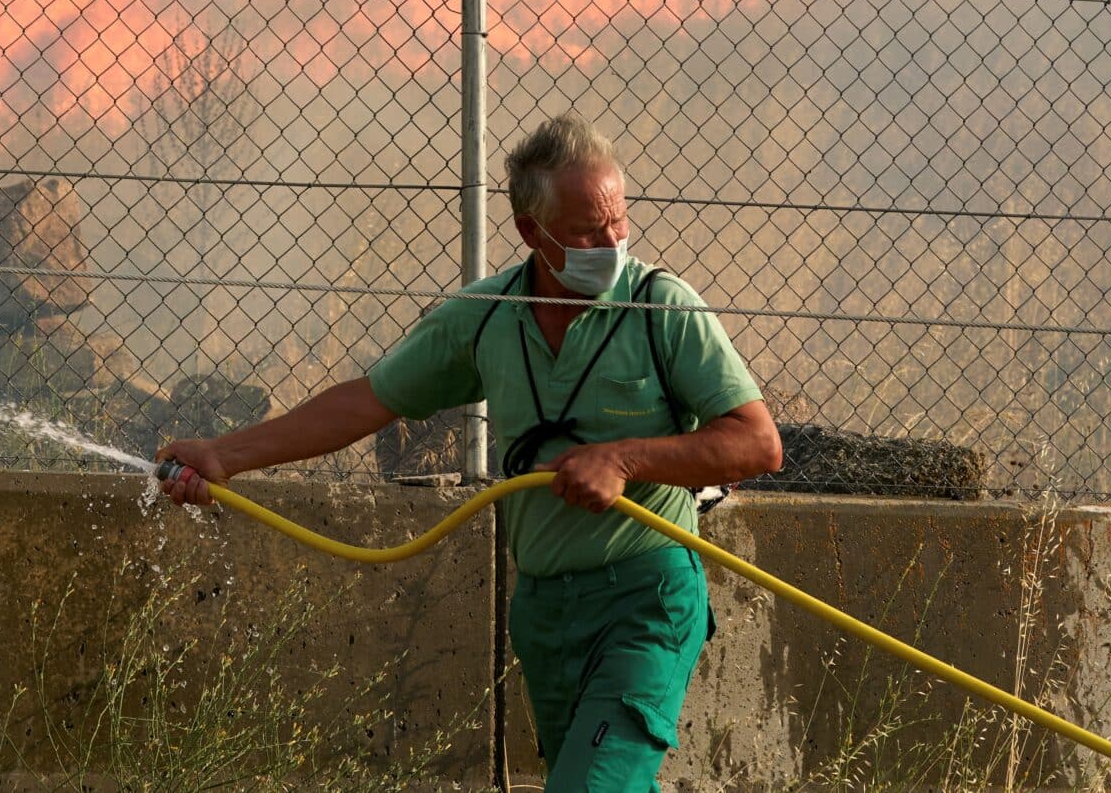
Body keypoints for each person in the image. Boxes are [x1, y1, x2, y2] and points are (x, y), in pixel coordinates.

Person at [157, 112, 782, 792]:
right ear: (529, 232)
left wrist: (625, 459)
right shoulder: (483, 318)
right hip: (544, 611)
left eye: (618, 223)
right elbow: (367, 400)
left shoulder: (663, 308)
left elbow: (756, 442)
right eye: (584, 231)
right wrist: (224, 455)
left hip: (647, 596)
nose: (611, 243)